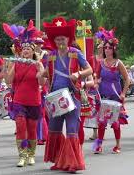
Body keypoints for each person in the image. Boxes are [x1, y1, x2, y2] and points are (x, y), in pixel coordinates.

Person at [43, 17, 92, 173]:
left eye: (63, 38)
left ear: (68, 39)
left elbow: (90, 70)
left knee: (71, 129)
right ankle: (59, 161)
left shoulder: (76, 53)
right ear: (54, 40)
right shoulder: (50, 56)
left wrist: (78, 74)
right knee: (54, 129)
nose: (60, 41)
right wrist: (40, 74)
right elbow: (46, 74)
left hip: (72, 96)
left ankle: (72, 163)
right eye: (57, 39)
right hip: (55, 98)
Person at [4, 20, 46, 167]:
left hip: (34, 101)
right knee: (21, 126)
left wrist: (41, 72)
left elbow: (41, 83)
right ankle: (22, 156)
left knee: (32, 128)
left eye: (28, 48)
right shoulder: (16, 63)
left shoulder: (38, 64)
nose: (26, 50)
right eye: (24, 48)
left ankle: (31, 154)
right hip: (19, 101)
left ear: (33, 51)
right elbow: (8, 80)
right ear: (21, 51)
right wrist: (6, 67)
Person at [93, 27, 130, 154]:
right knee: (102, 122)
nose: (107, 50)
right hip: (103, 96)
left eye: (110, 47)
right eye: (105, 48)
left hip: (115, 96)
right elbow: (96, 77)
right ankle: (98, 145)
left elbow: (127, 79)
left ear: (114, 49)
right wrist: (96, 83)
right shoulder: (101, 63)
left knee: (115, 122)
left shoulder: (118, 63)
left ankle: (118, 144)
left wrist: (123, 93)